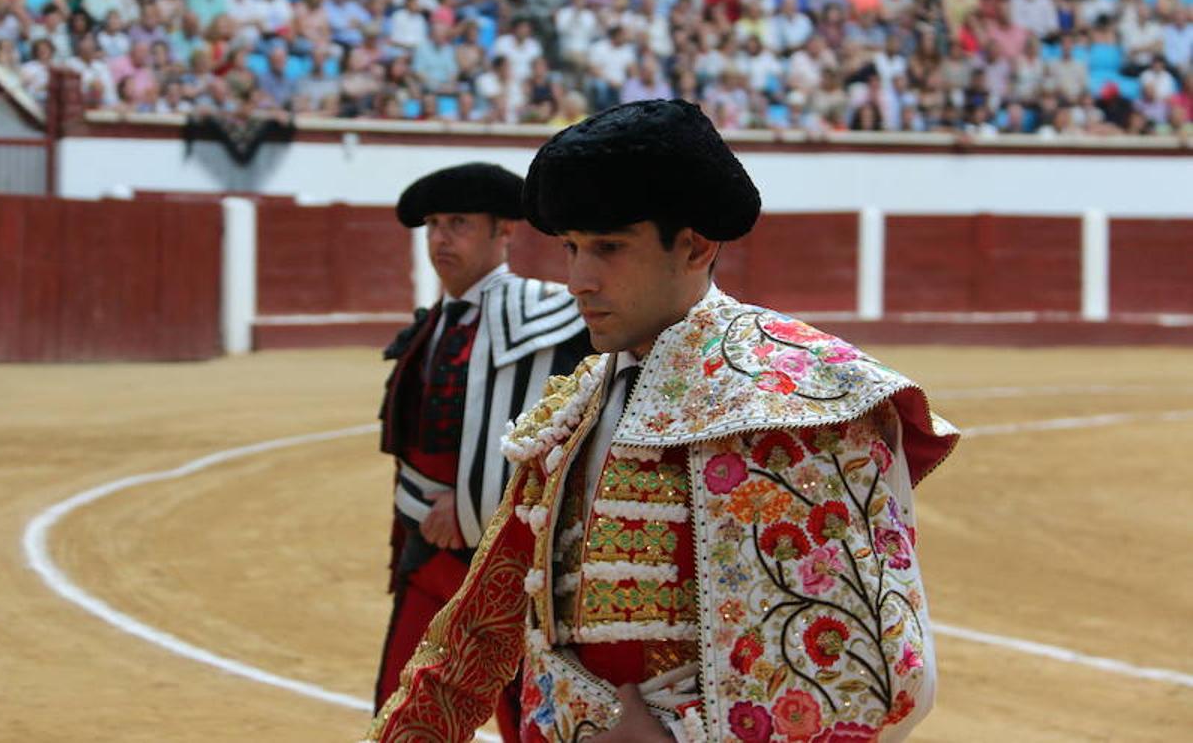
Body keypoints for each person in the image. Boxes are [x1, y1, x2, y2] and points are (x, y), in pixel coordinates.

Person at [367, 100, 959, 742]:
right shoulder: (571, 412)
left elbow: (873, 674)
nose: (578, 280)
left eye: (609, 248)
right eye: (571, 248)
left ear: (696, 246)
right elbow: (474, 641)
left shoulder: (797, 401)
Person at [374, 163, 593, 741]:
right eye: (434, 225)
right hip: (426, 548)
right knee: (402, 701)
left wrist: (476, 506)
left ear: (505, 233)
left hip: (508, 558)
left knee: (525, 711)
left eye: (460, 224)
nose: (441, 239)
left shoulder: (551, 316)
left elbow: (562, 427)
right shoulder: (435, 324)